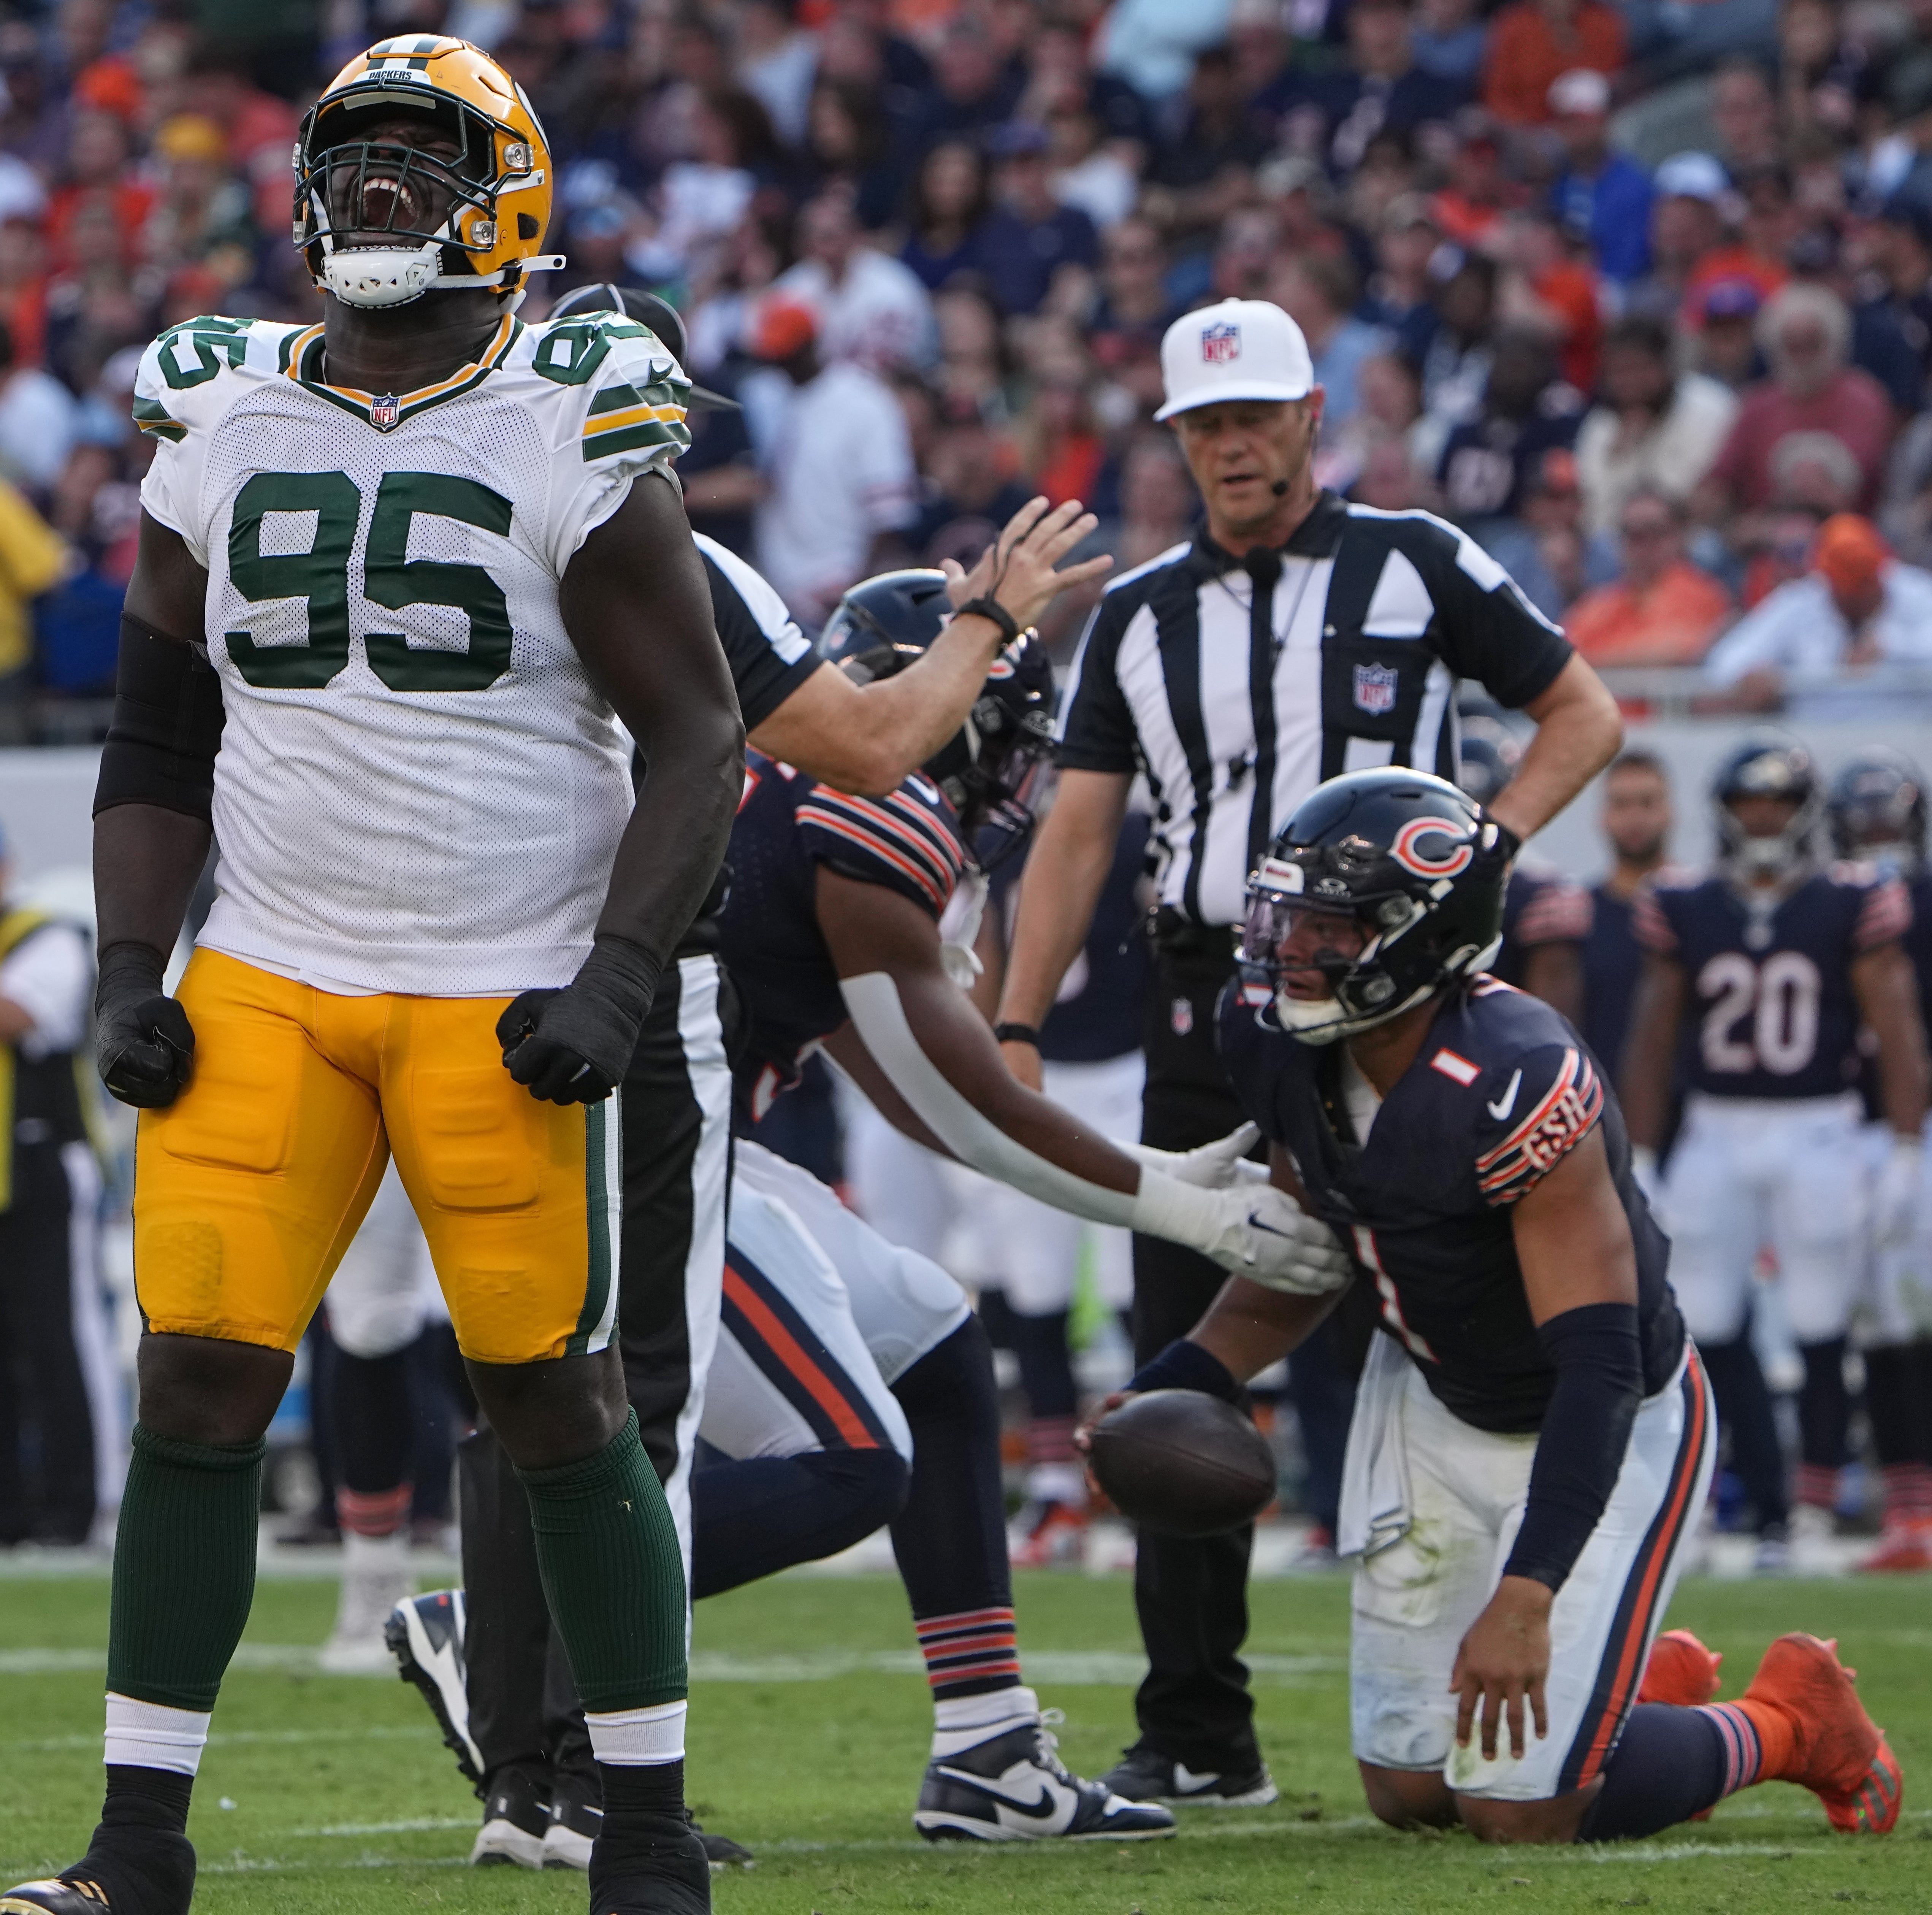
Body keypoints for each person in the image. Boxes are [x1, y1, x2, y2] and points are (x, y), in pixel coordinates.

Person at [5, 39, 751, 1915]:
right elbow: (159, 735)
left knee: (551, 1397)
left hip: (499, 979)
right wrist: (128, 966)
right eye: (359, 162)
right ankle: (141, 1837)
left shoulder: (564, 405)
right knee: (193, 1374)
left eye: (424, 161)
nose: (383, 193)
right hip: (269, 966)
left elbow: (695, 732)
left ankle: (639, 1822)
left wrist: (617, 974)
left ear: (503, 193)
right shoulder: (225, 406)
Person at [304, 285, 1122, 1849]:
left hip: (448, 997)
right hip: (615, 1028)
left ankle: (964, 1741)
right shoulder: (664, 559)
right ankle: (581, 1760)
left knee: (633, 1376)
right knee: (677, 1420)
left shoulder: (432, 515)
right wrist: (994, 618)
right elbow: (873, 756)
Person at [396, 572, 1338, 1853]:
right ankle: (509, 1623)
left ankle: (989, 1750)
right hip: (638, 1156)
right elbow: (965, 1117)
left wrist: (1135, 1167)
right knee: (849, 1457)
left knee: (938, 1338)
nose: (1008, 779)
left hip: (647, 1135)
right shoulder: (863, 814)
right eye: (1000, 738)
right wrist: (1183, 1205)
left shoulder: (787, 804)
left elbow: (907, 1091)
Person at [994, 293, 1623, 1809]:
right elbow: (1081, 823)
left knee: (1449, 1326)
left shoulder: (1413, 559)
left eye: (1252, 415)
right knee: (1185, 1373)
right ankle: (1198, 1724)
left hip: (1401, 1006)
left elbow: (1578, 710)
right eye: (1202, 422)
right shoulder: (1140, 610)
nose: (1229, 446)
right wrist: (1013, 1023)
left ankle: (1547, 1627)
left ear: (1308, 418)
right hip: (1214, 1008)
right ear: (1175, 438)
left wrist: (1466, 865)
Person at [1079, 765, 1904, 1844]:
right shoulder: (1274, 1032)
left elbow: (1601, 1362)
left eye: (1330, 928)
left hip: (1601, 1418)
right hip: (1430, 1393)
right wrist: (1164, 1389)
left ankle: (1786, 1721)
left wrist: (1528, 1589)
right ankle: (1622, 1689)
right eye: (1289, 916)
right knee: (1412, 1791)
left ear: (1423, 939)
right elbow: (1311, 1253)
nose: (1290, 948)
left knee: (1520, 1806)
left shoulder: (1518, 1079)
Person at [1621, 739, 1928, 1573]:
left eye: (1778, 803)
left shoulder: (1851, 900)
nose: (1762, 819)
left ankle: (1808, 1508)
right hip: (1717, 1126)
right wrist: (1642, 1150)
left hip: (1820, 1126)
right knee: (1703, 1319)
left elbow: (1897, 1026)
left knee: (1820, 1317)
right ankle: (1718, 1503)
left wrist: (1904, 1144)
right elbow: (1652, 1037)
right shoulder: (1684, 902)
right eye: (1749, 803)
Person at [1824, 753, 1932, 1573]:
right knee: (1884, 1326)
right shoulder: (1825, 908)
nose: (1877, 844)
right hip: (1852, 1131)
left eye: (1888, 826)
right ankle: (1907, 1506)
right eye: (1865, 827)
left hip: (1907, 1132)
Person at [0, 825, 98, 1548]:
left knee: (58, 1336)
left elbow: (22, 1016)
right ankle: (12, 1508)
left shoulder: (48, 936)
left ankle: (75, 1502)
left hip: (40, 1164)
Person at [1703, 513, 1932, 717]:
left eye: (1864, 582)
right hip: (1816, 739)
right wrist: (1753, 675)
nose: (1857, 594)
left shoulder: (1917, 591)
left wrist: (1892, 646)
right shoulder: (1800, 601)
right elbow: (1724, 662)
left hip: (1907, 737)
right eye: (1846, 585)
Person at [1578, 750, 1672, 1081]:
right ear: (1602, 816)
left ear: (1669, 812)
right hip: (1601, 1096)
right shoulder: (1578, 914)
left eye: (1646, 803)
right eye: (1621, 804)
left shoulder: (1698, 909)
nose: (1634, 817)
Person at [1563, 491, 1732, 667]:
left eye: (1655, 531)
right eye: (1633, 534)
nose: (1643, 544)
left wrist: (1591, 661)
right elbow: (1566, 651)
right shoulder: (1603, 601)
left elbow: (1675, 649)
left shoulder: (1699, 593)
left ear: (1680, 536)